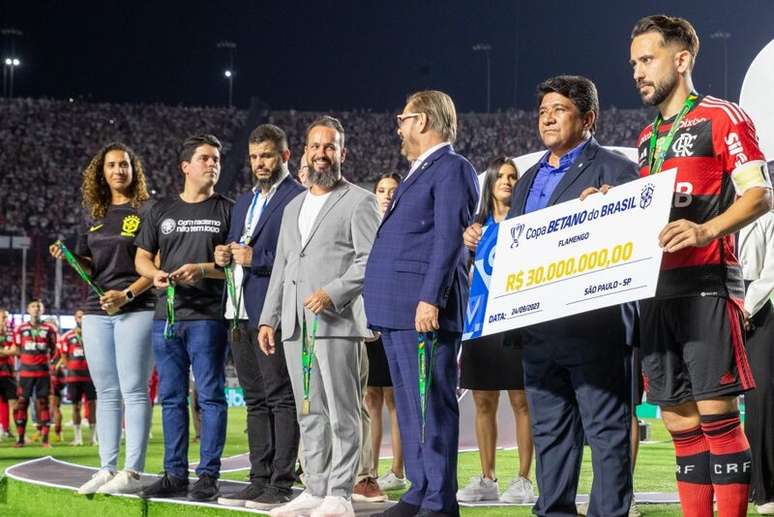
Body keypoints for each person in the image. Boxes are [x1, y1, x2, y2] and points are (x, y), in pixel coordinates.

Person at [464, 76, 639, 516]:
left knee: (605, 433)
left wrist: (610, 209)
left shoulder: (615, 171)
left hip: (594, 328)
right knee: (551, 434)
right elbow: (518, 246)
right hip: (538, 331)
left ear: (588, 118)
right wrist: (483, 242)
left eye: (559, 109)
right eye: (543, 111)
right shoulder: (528, 180)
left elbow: (636, 237)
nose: (547, 117)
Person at [628, 15, 773, 517]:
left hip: (707, 290)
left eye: (647, 60)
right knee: (679, 424)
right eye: (634, 64)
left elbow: (759, 194)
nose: (638, 72)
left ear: (682, 59)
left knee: (718, 419)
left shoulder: (722, 116)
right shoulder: (648, 137)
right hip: (656, 294)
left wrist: (707, 230)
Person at [364, 90, 480, 517]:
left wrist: (431, 298)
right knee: (412, 410)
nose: (399, 126)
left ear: (424, 121)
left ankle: (438, 502)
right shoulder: (420, 170)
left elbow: (450, 239)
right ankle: (419, 490)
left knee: (432, 407)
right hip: (398, 311)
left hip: (423, 312)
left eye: (403, 117)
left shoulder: (453, 169)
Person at [258, 115, 381, 517]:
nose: (321, 154)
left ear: (342, 153)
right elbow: (283, 266)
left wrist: (333, 292)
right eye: (315, 146)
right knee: (309, 409)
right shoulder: (293, 205)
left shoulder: (360, 200)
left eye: (330, 147)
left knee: (342, 411)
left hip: (337, 324)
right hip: (296, 326)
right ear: (306, 152)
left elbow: (369, 262)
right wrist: (267, 318)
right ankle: (315, 485)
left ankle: (341, 492)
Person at [49, 142, 156, 494]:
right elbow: (90, 267)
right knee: (107, 392)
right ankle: (106, 468)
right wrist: (68, 256)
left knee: (135, 391)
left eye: (124, 164)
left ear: (133, 169)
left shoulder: (147, 211)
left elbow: (154, 268)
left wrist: (126, 295)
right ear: (102, 172)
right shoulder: (93, 216)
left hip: (135, 307)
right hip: (97, 312)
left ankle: (133, 471)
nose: (118, 171)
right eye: (111, 165)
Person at [135, 134, 232, 502]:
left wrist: (204, 269)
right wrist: (154, 274)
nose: (213, 164)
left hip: (208, 316)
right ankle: (174, 474)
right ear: (185, 167)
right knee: (172, 398)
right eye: (205, 158)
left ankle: (208, 476)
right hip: (166, 317)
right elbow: (142, 258)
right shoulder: (160, 211)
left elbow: (235, 266)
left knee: (210, 397)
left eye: (217, 159)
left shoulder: (228, 209)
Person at [214, 124, 304, 510]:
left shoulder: (297, 198)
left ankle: (282, 482)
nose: (259, 163)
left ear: (284, 156)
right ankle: (258, 477)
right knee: (254, 400)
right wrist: (222, 257)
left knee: (280, 397)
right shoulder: (244, 202)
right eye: (253, 157)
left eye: (266, 155)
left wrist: (257, 260)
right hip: (237, 310)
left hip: (272, 310)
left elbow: (298, 257)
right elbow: (237, 248)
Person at [456, 156, 535, 504]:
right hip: (479, 322)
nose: (506, 180)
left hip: (516, 319)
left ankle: (523, 480)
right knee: (483, 401)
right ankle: (488, 478)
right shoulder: (473, 229)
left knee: (521, 401)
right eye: (500, 176)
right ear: (489, 183)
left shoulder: (528, 224)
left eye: (512, 176)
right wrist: (464, 244)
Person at [362, 173, 407, 493]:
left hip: (393, 317)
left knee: (395, 399)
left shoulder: (405, 226)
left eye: (393, 190)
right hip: (367, 319)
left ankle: (398, 470)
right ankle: (370, 469)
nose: (387, 195)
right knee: (370, 398)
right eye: (381, 190)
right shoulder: (366, 226)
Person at [740, 208, 774, 514]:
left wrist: (746, 308)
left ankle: (763, 489)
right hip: (711, 300)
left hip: (757, 310)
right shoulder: (711, 207)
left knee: (761, 395)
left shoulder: (768, 217)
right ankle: (718, 482)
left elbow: (770, 271)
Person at [12, 300, 58, 448]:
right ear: (28, 309)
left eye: (39, 306)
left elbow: (54, 350)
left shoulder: (49, 329)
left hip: (43, 372)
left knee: (43, 403)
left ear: (42, 310)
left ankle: (45, 439)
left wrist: (44, 363)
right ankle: (20, 439)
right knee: (22, 403)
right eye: (33, 306)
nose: (36, 309)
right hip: (25, 372)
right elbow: (17, 349)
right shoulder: (20, 329)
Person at [59, 310, 97, 446]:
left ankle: (93, 438)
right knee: (76, 407)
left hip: (90, 376)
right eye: (79, 317)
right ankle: (78, 437)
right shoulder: (67, 337)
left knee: (92, 406)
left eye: (84, 317)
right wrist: (70, 369)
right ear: (75, 318)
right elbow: (63, 355)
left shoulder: (94, 334)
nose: (81, 319)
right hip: (74, 378)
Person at [0, 309, 17, 440]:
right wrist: (7, 351)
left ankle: (12, 431)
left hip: (9, 373)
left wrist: (7, 351)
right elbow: (10, 351)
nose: (4, 320)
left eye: (6, 317)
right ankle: (3, 429)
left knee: (13, 403)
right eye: (2, 317)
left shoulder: (12, 333)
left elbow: (15, 350)